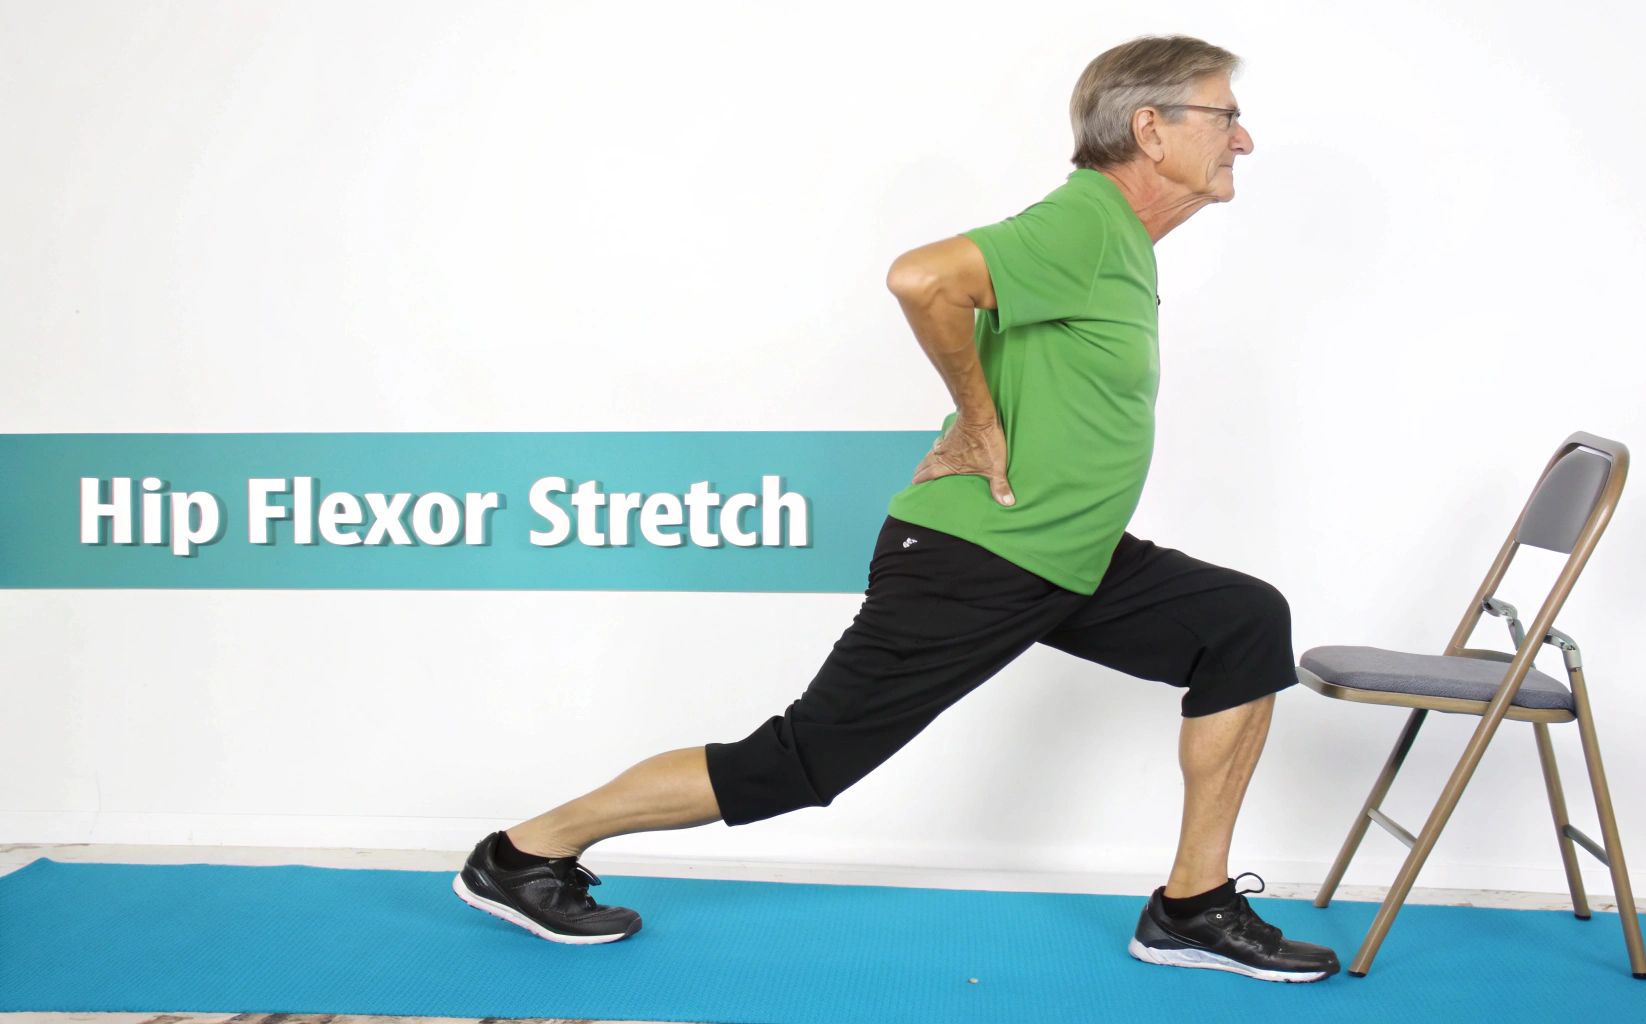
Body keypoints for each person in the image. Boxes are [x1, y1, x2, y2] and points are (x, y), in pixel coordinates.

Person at [452, 33, 1340, 984]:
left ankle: (1192, 907)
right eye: (1227, 116)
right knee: (795, 767)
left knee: (1242, 623)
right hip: (981, 557)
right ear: (1150, 128)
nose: (1242, 141)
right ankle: (521, 854)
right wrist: (977, 417)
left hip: (1063, 555)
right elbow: (923, 276)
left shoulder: (1117, 242)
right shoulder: (1086, 221)